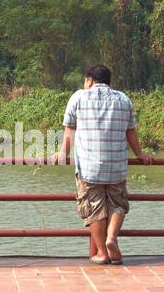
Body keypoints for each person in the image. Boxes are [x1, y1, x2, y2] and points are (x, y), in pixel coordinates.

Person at [51, 64, 153, 265]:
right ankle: (111, 238)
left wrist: (63, 152)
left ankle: (101, 253)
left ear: (89, 80)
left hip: (89, 168)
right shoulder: (123, 99)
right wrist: (139, 153)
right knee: (117, 204)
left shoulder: (79, 97)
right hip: (116, 166)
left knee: (94, 207)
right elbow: (130, 131)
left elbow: (70, 129)